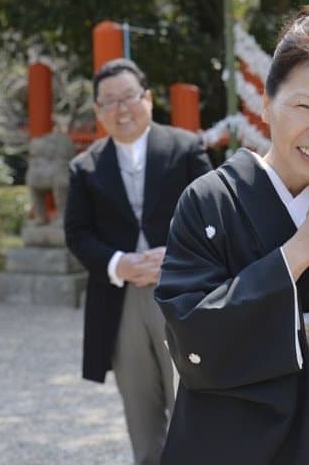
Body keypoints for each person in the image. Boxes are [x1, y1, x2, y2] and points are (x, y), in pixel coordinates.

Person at [155, 5, 309, 464]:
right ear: (267, 103)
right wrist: (300, 251)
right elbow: (191, 335)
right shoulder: (210, 200)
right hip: (233, 441)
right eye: (304, 107)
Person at [64, 58, 213, 464]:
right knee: (140, 411)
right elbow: (77, 233)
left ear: (147, 98)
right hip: (121, 300)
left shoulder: (185, 148)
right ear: (98, 112)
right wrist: (117, 264)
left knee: (192, 399)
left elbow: (213, 216)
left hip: (181, 292)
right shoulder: (85, 167)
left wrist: (178, 255)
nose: (121, 108)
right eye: (108, 101)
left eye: (128, 96)